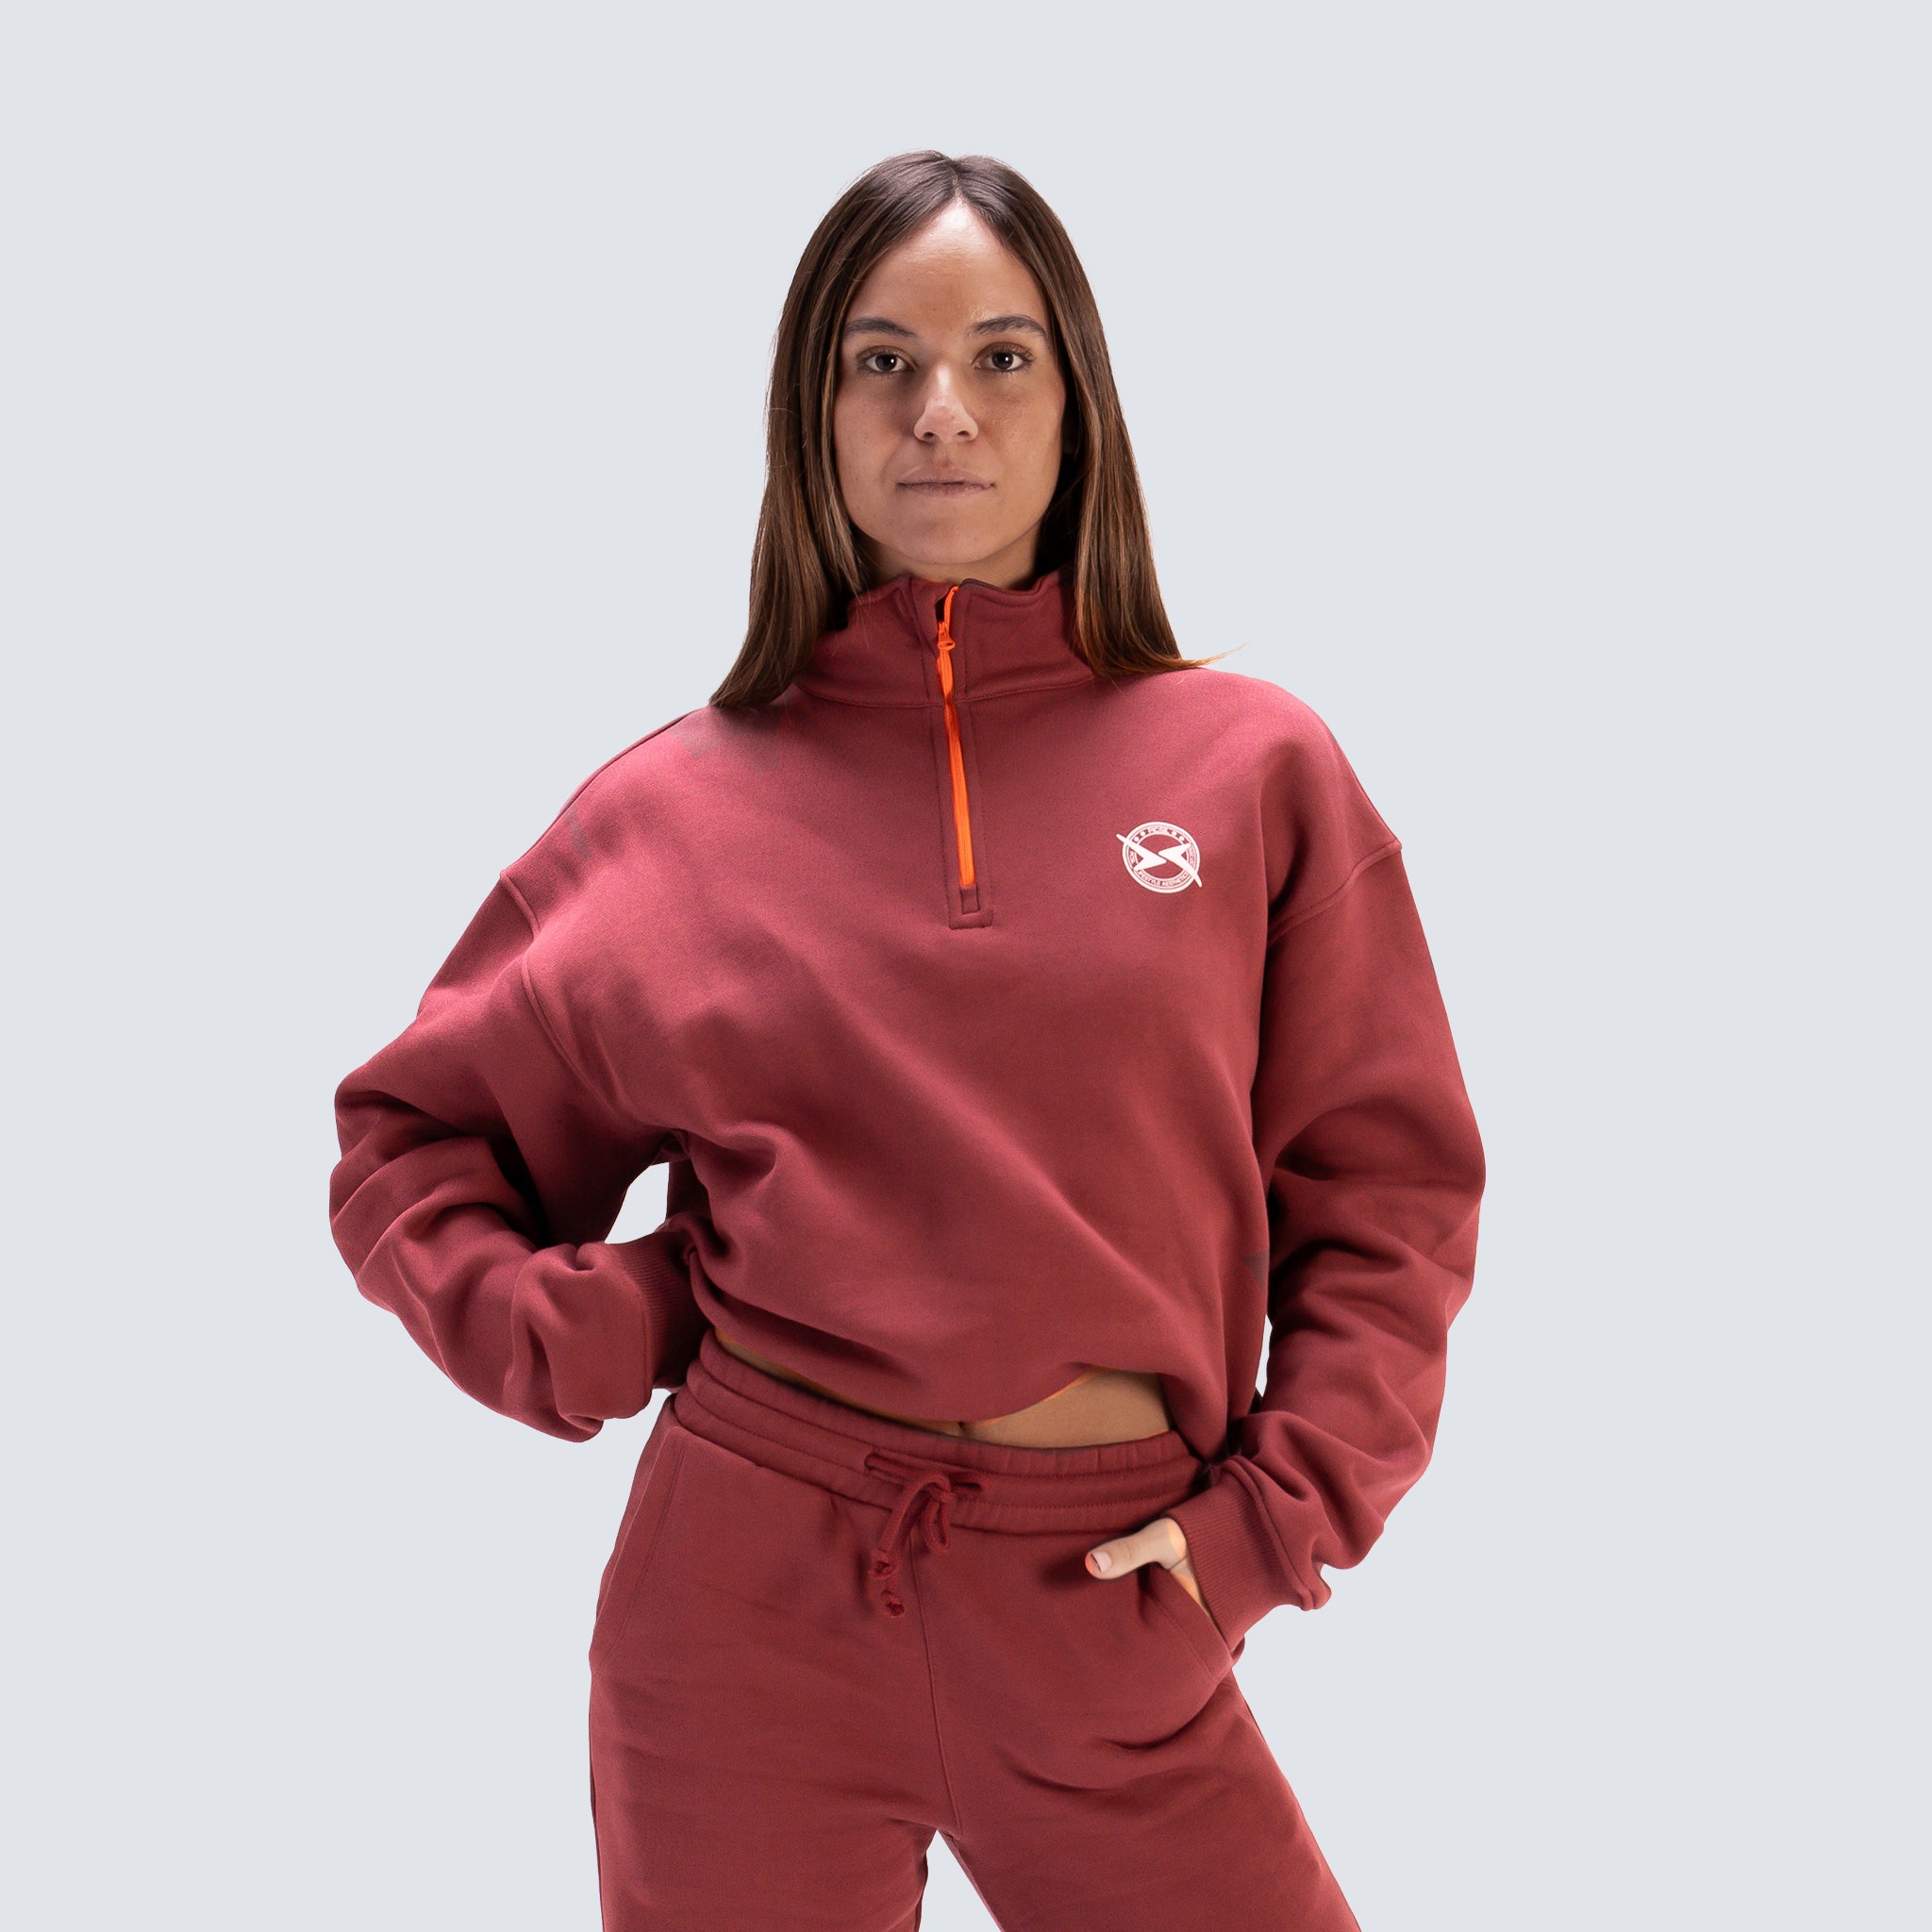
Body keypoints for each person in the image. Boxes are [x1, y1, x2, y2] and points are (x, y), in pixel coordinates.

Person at [329, 149, 1486, 1932]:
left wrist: (1266, 1528)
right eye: (883, 360)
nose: (941, 409)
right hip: (745, 1609)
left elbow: (1388, 1195)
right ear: (815, 411)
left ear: (1077, 402)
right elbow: (411, 1144)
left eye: (1001, 357)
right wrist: (605, 1322)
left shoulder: (1254, 771)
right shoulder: (671, 816)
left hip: (1112, 1595)